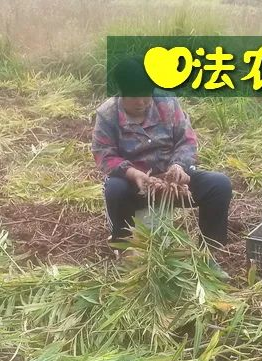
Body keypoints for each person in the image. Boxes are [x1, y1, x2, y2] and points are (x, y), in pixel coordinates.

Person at [91, 57, 232, 250]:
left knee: (219, 185)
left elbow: (187, 139)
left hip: (172, 182)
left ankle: (210, 252)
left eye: (145, 95)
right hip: (135, 184)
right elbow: (104, 154)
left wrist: (178, 166)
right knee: (115, 189)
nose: (141, 102)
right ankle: (124, 248)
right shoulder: (108, 115)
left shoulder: (166, 102)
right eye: (134, 97)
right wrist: (134, 174)